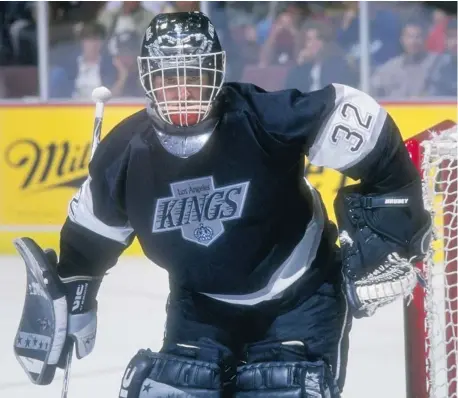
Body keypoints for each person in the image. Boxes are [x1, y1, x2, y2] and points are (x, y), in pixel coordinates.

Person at [13, 12, 431, 397]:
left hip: (300, 297)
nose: (181, 92)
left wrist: (395, 214)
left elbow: (355, 117)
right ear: (148, 81)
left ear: (215, 73)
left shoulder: (260, 118)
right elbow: (89, 241)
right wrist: (76, 294)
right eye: (167, 78)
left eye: (192, 76)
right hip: (199, 306)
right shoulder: (124, 153)